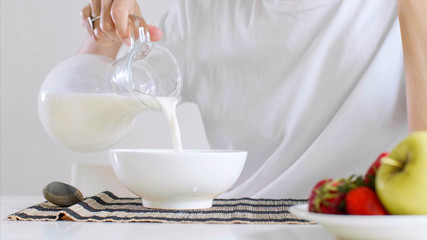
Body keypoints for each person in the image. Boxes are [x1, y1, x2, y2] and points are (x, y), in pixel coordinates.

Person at [69, 0, 426, 198]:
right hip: (237, 224)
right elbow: (79, 130)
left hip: (363, 226)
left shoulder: (395, 11)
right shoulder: (202, 15)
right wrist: (107, 36)